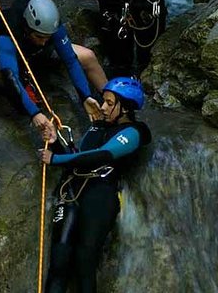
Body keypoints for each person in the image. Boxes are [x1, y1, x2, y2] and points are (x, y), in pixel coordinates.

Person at [39, 77, 151, 292]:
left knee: (85, 262)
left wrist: (55, 159)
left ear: (125, 108)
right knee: (59, 261)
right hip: (72, 192)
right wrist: (54, 143)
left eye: (110, 103)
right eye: (104, 101)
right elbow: (79, 159)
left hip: (101, 195)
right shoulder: (97, 128)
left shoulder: (135, 132)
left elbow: (104, 155)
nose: (103, 107)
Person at [0, 0, 108, 142]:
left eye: (48, 37)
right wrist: (34, 113)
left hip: (32, 54)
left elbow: (71, 60)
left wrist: (86, 96)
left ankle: (112, 101)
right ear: (28, 27)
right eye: (40, 37)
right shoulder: (7, 29)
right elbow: (10, 74)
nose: (43, 41)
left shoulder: (51, 26)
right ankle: (25, 85)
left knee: (88, 56)